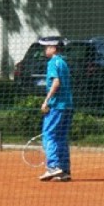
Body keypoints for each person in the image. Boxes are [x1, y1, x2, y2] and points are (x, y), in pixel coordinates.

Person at [38, 36, 73, 182]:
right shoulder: (63, 62)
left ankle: (52, 167)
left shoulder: (53, 62)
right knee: (61, 137)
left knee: (49, 135)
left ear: (53, 48)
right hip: (68, 106)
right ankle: (64, 170)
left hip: (56, 106)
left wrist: (46, 101)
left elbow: (56, 82)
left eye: (47, 47)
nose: (45, 50)